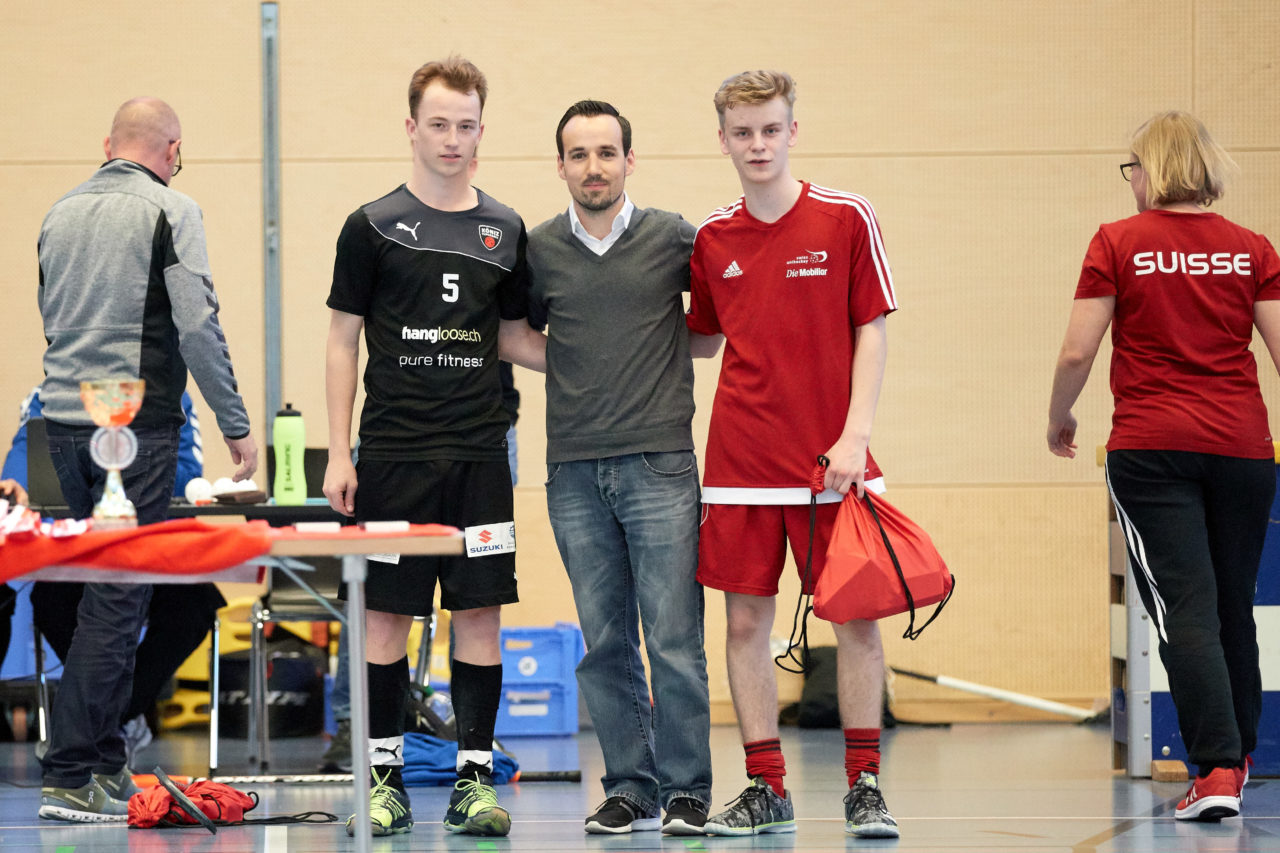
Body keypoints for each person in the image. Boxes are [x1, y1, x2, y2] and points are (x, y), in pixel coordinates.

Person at [323, 56, 545, 839]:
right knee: (386, 619)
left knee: (479, 615)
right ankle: (384, 784)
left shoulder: (506, 229)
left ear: (482, 132)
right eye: (439, 123)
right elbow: (343, 342)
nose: (452, 138)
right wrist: (341, 453)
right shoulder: (371, 226)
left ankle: (472, 785)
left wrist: (615, 352)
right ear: (412, 127)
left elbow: (516, 337)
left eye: (466, 125)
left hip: (482, 455)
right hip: (392, 456)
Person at [685, 70, 900, 839]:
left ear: (792, 130)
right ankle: (765, 785)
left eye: (771, 129)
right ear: (723, 140)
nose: (758, 145)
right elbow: (704, 337)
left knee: (858, 623)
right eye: (743, 133)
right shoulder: (711, 238)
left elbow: (872, 327)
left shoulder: (846, 218)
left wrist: (857, 434)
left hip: (832, 464)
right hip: (739, 465)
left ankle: (865, 783)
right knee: (745, 626)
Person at [1048, 111, 1279, 822]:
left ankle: (1212, 771)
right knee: (1231, 603)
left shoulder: (1119, 242)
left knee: (1187, 607)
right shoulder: (1251, 248)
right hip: (1242, 449)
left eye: (1134, 168)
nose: (1133, 182)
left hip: (1153, 450)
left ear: (1153, 169)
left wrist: (1058, 415)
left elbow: (1078, 353)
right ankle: (1234, 760)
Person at [35, 96, 258, 823]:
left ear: (108, 146)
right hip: (136, 428)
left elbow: (52, 314)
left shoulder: (58, 213)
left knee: (102, 598)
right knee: (117, 600)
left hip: (63, 423)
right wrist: (236, 424)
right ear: (172, 149)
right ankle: (70, 769)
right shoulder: (171, 208)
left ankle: (100, 763)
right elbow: (197, 322)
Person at [523, 99, 712, 835]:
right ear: (562, 164)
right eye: (579, 154)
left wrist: (659, 356)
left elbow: (716, 327)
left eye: (607, 152)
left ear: (630, 160)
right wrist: (580, 365)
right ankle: (631, 785)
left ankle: (688, 787)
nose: (594, 167)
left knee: (672, 637)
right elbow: (516, 332)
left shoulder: (675, 238)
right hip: (572, 470)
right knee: (604, 642)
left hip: (660, 464)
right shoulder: (537, 250)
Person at [2, 384, 219, 766]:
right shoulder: (46, 394)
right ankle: (104, 722)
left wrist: (123, 468)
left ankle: (104, 719)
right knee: (47, 599)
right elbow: (24, 459)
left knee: (196, 604)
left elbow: (188, 474)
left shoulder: (172, 397)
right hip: (78, 553)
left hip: (149, 548)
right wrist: (15, 483)